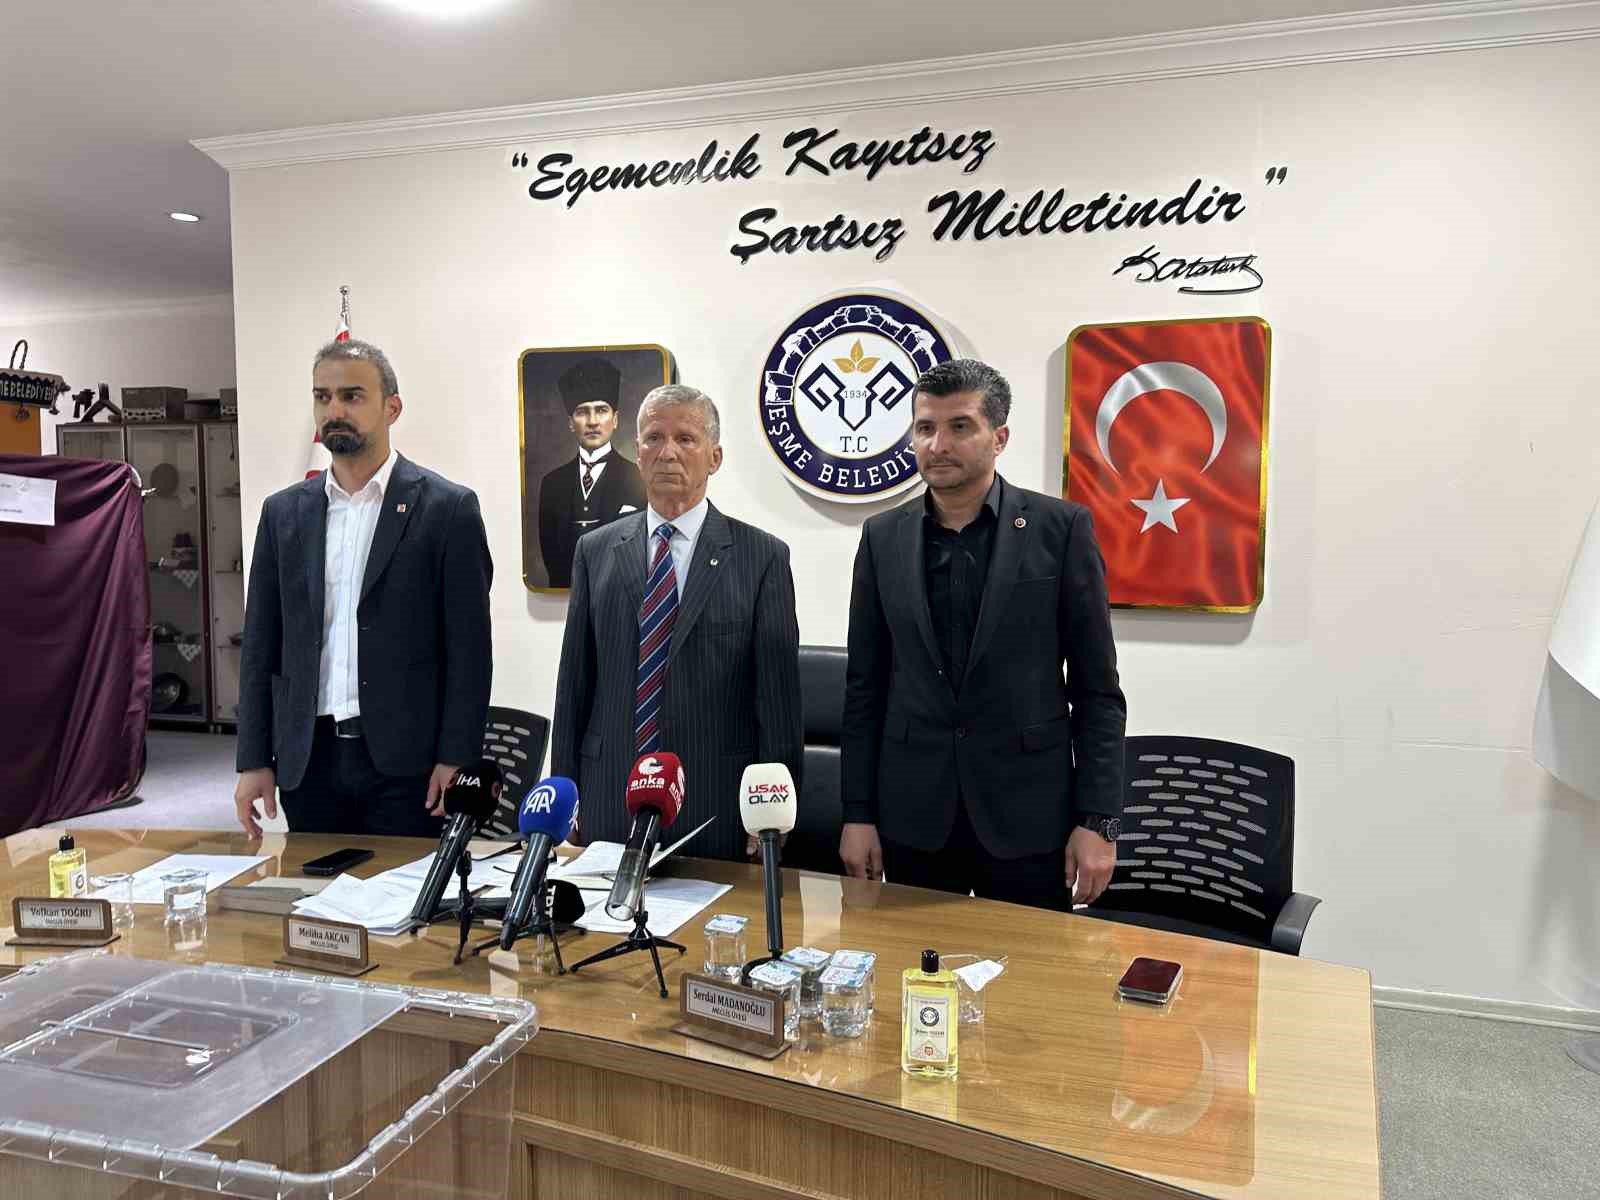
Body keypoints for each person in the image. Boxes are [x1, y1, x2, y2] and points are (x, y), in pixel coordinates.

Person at [839, 358, 1126, 910]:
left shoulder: (1060, 530)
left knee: (1029, 963)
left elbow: (1098, 694)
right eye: (925, 428)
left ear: (1000, 438)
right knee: (911, 961)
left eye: (960, 426)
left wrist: (1099, 821)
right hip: (914, 815)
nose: (938, 444)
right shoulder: (882, 537)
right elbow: (864, 689)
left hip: (1028, 815)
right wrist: (857, 814)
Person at [234, 338, 494, 838]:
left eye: (352, 396)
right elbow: (261, 646)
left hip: (408, 766)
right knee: (310, 888)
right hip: (309, 761)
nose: (334, 410)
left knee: (404, 889)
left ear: (392, 408)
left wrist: (456, 756)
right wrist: (253, 758)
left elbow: (469, 651)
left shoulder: (447, 509)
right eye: (323, 397)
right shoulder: (283, 513)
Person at [552, 384, 802, 862]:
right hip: (608, 796)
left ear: (715, 457)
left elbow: (777, 700)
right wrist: (565, 790)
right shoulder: (595, 551)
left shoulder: (761, 557)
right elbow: (575, 683)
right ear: (637, 452)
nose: (667, 452)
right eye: (653, 438)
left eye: (686, 439)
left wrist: (774, 813)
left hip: (714, 801)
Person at [537, 357, 646, 587]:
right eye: (582, 412)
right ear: (570, 423)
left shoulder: (639, 478)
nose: (593, 421)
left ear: (615, 419)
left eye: (601, 410)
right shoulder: (552, 484)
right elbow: (550, 556)